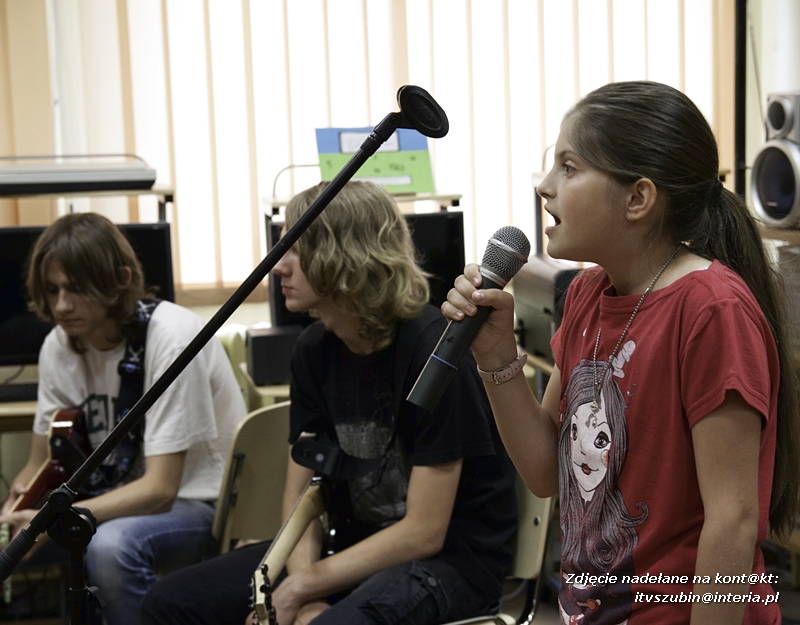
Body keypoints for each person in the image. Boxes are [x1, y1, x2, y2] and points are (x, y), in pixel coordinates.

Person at [442, 80, 799, 625]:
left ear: (638, 199)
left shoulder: (711, 310)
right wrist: (495, 355)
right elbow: (547, 473)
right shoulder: (588, 293)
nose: (545, 186)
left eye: (569, 167)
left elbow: (732, 520)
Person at [141, 180, 518, 625]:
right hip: (351, 549)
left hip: (450, 564)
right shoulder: (313, 350)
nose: (279, 266)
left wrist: (302, 588)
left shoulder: (435, 353)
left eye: (297, 250)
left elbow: (424, 533)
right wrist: (302, 589)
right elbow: (301, 494)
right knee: (169, 603)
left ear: (347, 255)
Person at [0, 213, 245, 625]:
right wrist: (16, 509)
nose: (61, 306)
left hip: (197, 503)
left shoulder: (172, 338)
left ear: (120, 279)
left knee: (109, 548)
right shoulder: (58, 345)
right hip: (111, 500)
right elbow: (38, 464)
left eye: (76, 288)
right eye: (52, 290)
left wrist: (49, 521)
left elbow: (160, 489)